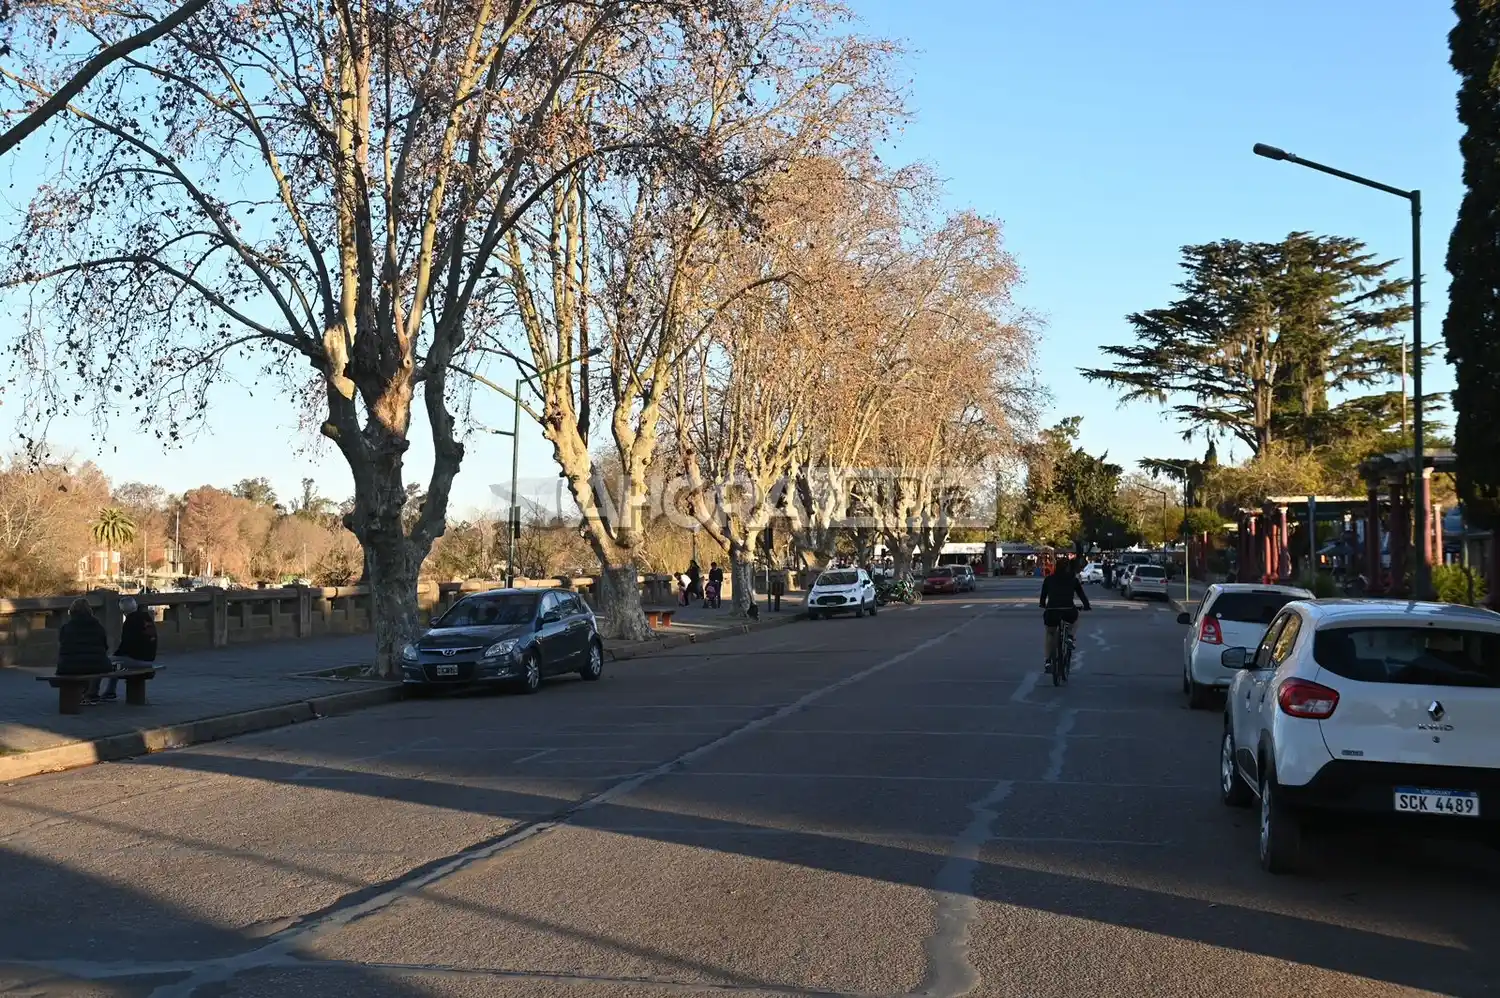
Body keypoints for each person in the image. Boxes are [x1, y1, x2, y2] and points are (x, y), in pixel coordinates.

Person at [1039, 558, 1091, 673]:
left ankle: (1048, 661)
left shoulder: (1049, 579)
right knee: (1076, 619)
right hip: (1068, 610)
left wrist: (1043, 605)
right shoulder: (1073, 580)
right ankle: (1070, 636)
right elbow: (1081, 595)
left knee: (1050, 633)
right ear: (1068, 568)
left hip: (1052, 611)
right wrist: (1086, 606)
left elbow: (1043, 597)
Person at [56, 597, 112, 704]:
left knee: (81, 665)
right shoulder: (98, 626)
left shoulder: (66, 628)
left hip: (69, 665)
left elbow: (62, 644)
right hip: (97, 664)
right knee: (98, 664)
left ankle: (81, 694)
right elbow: (105, 647)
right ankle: (92, 694)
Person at [100, 596, 158, 701]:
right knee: (116, 663)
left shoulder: (130, 621)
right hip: (150, 658)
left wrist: (115, 655)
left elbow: (126, 645)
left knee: (107, 661)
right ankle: (110, 691)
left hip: (138, 660)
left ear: (123, 610)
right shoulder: (147, 618)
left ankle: (98, 692)